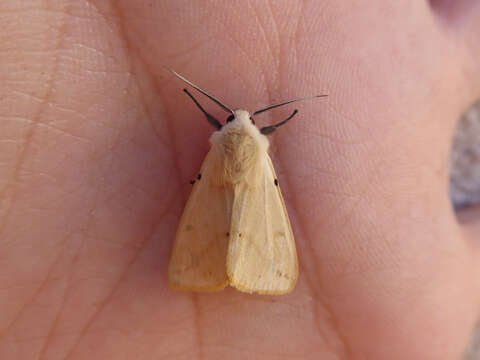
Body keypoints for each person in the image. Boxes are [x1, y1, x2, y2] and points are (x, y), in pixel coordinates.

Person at [0, 1, 479, 359]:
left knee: (202, 209)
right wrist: (284, 118)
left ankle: (213, 269)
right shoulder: (259, 148)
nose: (242, 121)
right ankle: (249, 271)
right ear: (257, 136)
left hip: (207, 196)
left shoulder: (219, 143)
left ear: (224, 130)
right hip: (258, 195)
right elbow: (268, 126)